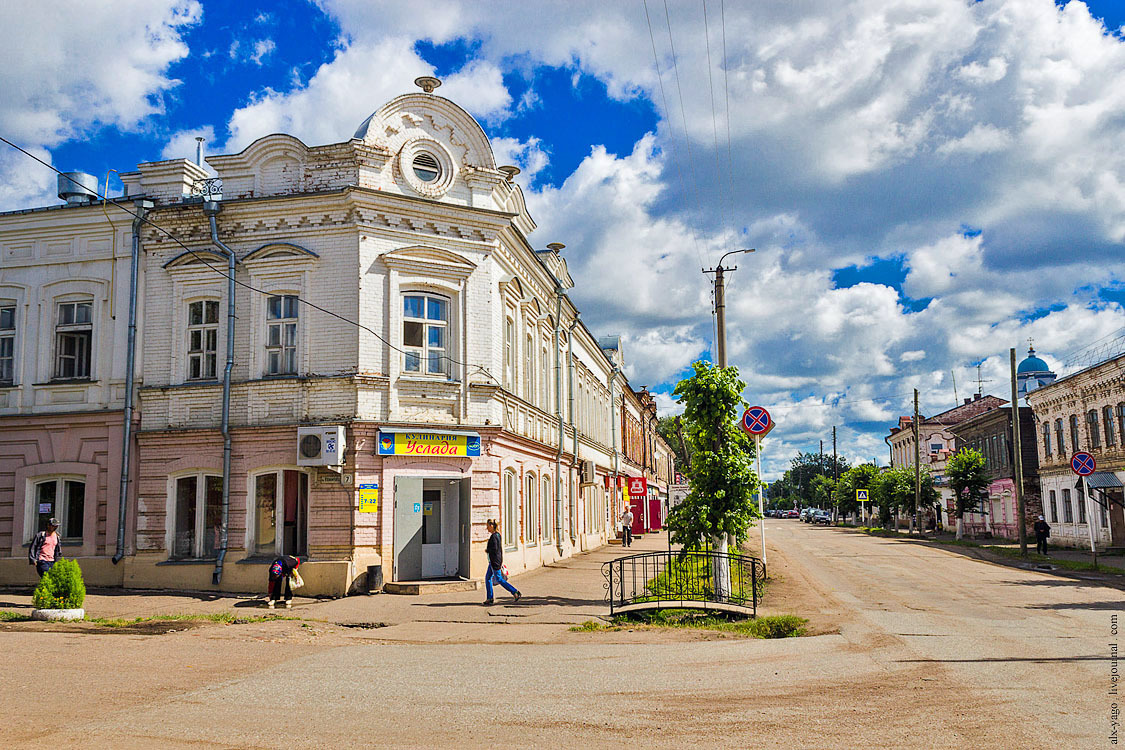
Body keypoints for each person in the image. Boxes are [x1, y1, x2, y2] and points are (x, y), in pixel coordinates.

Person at [483, 519, 520, 606]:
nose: (487, 528)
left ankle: (515, 592)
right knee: (488, 578)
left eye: (487, 526)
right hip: (493, 561)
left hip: (494, 561)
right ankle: (490, 598)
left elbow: (495, 549)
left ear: (491, 526)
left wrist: (488, 550)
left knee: (499, 579)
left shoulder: (494, 536)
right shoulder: (497, 535)